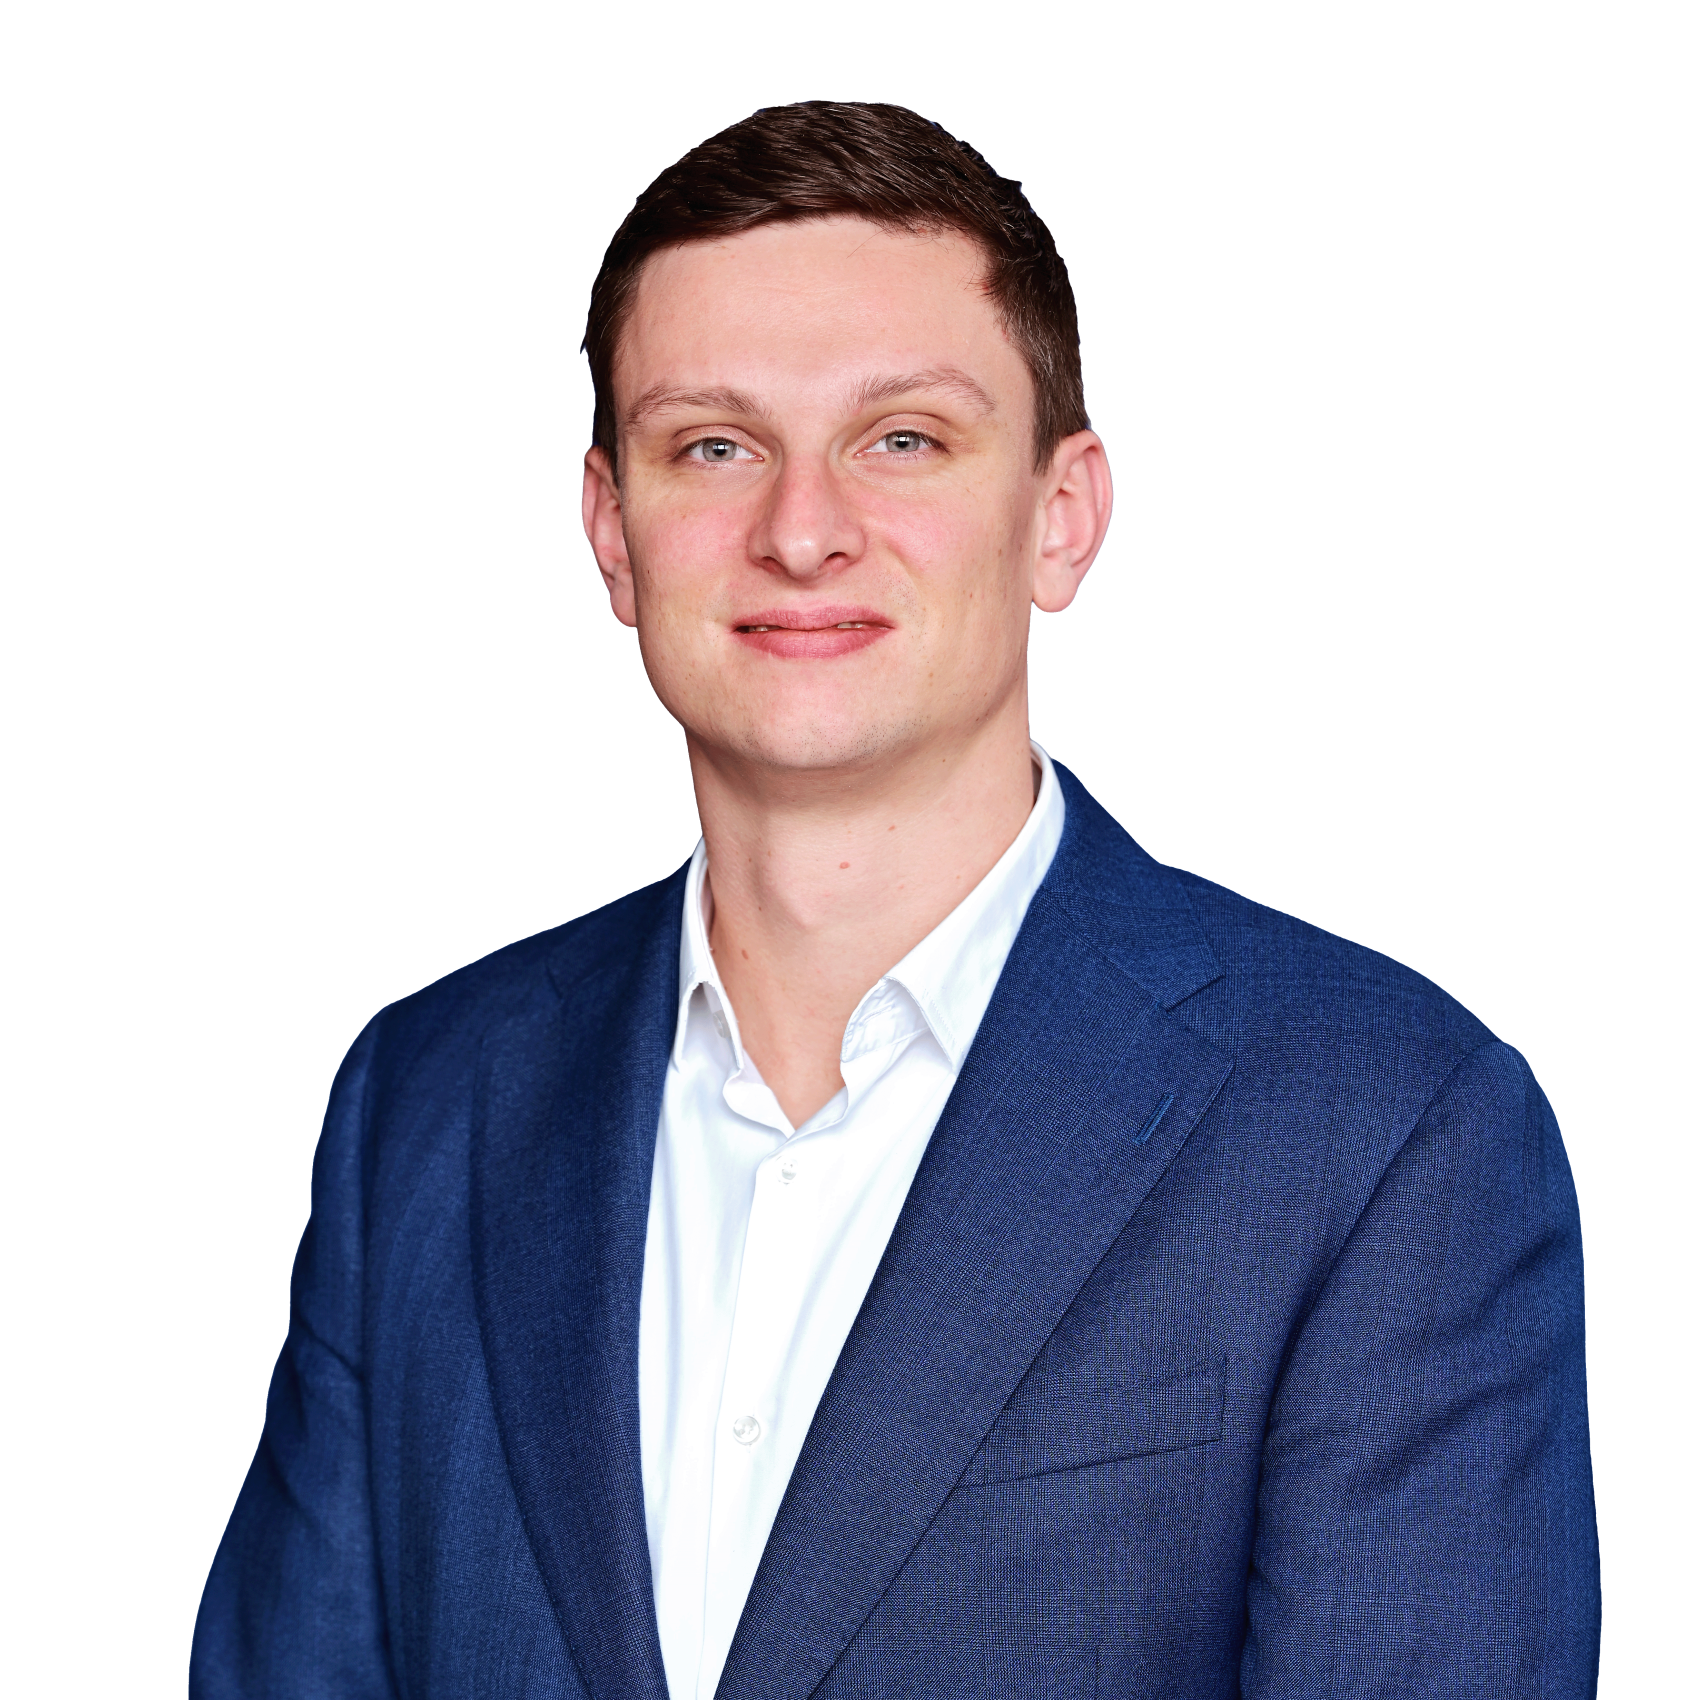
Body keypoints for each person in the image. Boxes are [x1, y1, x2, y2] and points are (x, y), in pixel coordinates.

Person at [191, 101, 1600, 1699]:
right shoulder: (424, 1096)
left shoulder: (1385, 1123)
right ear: (612, 535)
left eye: (904, 438)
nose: (801, 531)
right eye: (714, 446)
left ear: (1062, 517)